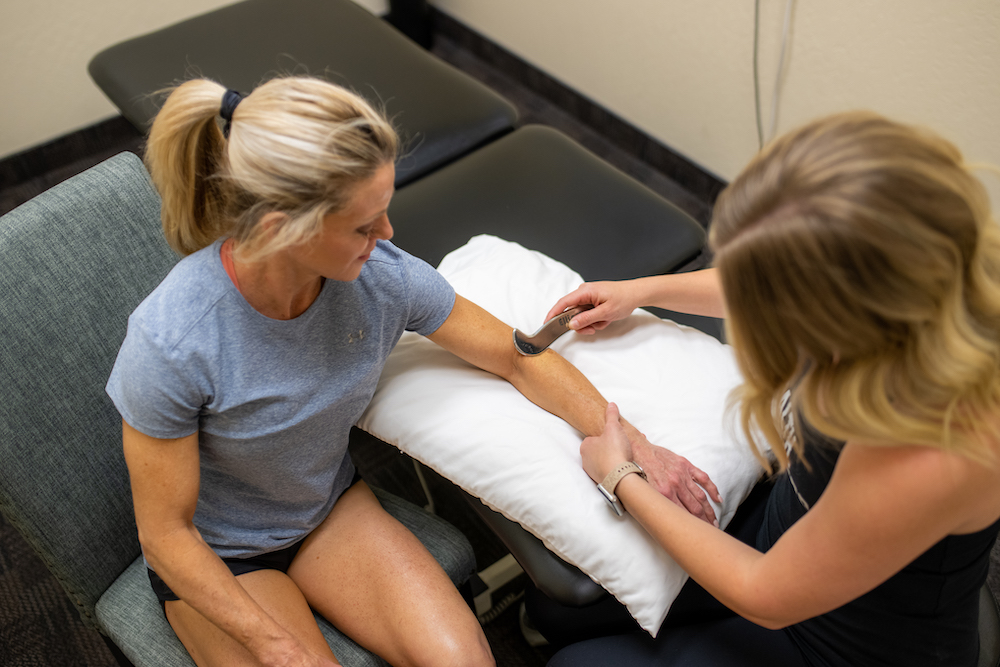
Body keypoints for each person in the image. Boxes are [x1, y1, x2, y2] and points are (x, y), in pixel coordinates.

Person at [105, 76, 720, 667]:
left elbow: (517, 355)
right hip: (219, 554)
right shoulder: (174, 343)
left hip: (325, 511)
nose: (389, 234)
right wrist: (278, 649)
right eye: (364, 225)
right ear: (280, 230)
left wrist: (639, 449)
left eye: (385, 210)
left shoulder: (381, 279)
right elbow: (166, 535)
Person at [545, 111, 1000, 666]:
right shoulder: (915, 295)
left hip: (842, 643)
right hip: (791, 527)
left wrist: (622, 477)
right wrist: (638, 291)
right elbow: (761, 279)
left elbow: (765, 594)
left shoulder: (937, 449)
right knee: (558, 606)